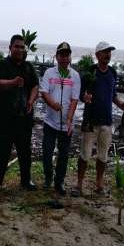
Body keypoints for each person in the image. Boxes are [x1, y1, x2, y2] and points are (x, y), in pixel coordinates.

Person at [71, 41, 124, 197]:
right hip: (90, 121)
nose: (108, 54)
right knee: (85, 155)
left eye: (109, 52)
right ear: (97, 55)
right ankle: (79, 185)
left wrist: (120, 103)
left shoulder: (112, 73)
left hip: (107, 122)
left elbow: (113, 95)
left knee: (103, 156)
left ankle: (99, 185)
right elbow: (80, 94)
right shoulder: (89, 72)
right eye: (104, 52)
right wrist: (85, 97)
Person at [0, 34, 39, 194]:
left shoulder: (28, 67)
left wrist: (31, 100)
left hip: (24, 118)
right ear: (10, 48)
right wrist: (13, 82)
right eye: (16, 46)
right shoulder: (2, 64)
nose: (19, 49)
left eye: (22, 47)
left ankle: (26, 180)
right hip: (4, 118)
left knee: (25, 151)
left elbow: (35, 86)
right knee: (0, 152)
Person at [39, 42, 80, 196]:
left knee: (63, 154)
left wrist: (69, 119)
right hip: (50, 122)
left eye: (67, 55)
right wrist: (52, 104)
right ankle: (48, 178)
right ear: (56, 57)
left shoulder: (74, 76)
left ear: (70, 57)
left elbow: (75, 100)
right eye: (61, 55)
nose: (64, 58)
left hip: (66, 125)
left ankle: (59, 181)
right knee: (47, 151)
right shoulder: (50, 73)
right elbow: (44, 92)